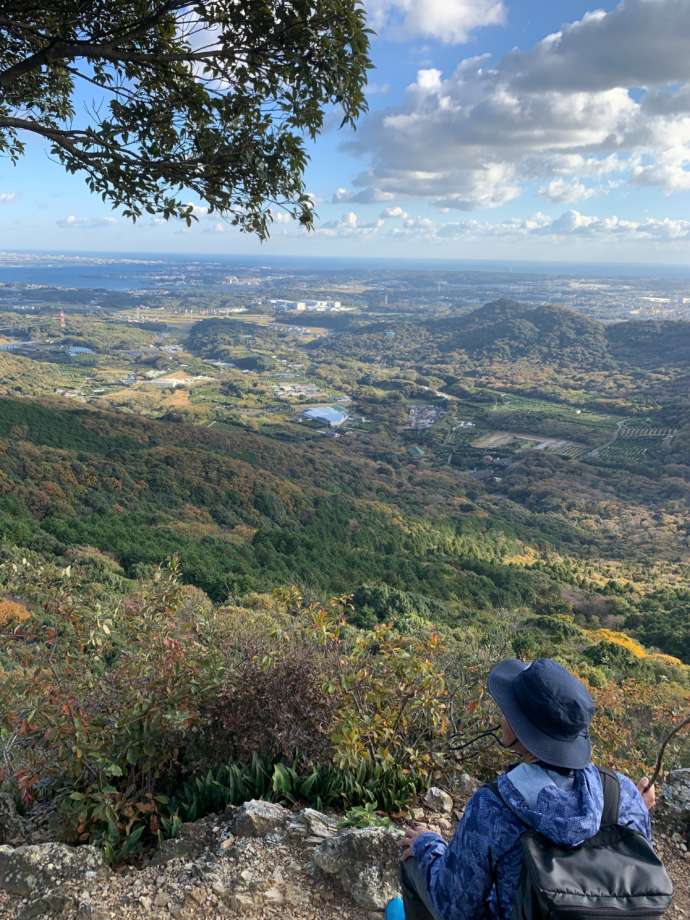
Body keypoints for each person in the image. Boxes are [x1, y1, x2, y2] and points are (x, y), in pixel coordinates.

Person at [393, 658, 656, 920]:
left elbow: (455, 908)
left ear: (522, 729)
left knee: (414, 861)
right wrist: (636, 809)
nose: (502, 716)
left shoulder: (494, 806)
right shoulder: (622, 793)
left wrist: (429, 845)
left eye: (509, 711)